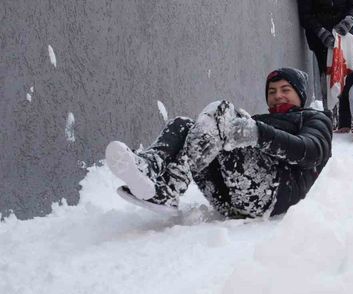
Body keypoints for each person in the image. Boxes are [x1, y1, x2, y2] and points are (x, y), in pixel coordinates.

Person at [105, 68, 332, 218]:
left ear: (300, 95)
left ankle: (171, 187)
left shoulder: (313, 118)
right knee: (184, 125)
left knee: (221, 109)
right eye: (271, 91)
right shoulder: (261, 119)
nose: (277, 96)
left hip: (270, 196)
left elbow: (312, 151)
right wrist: (250, 128)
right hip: (226, 198)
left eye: (285, 90)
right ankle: (149, 167)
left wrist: (258, 133)